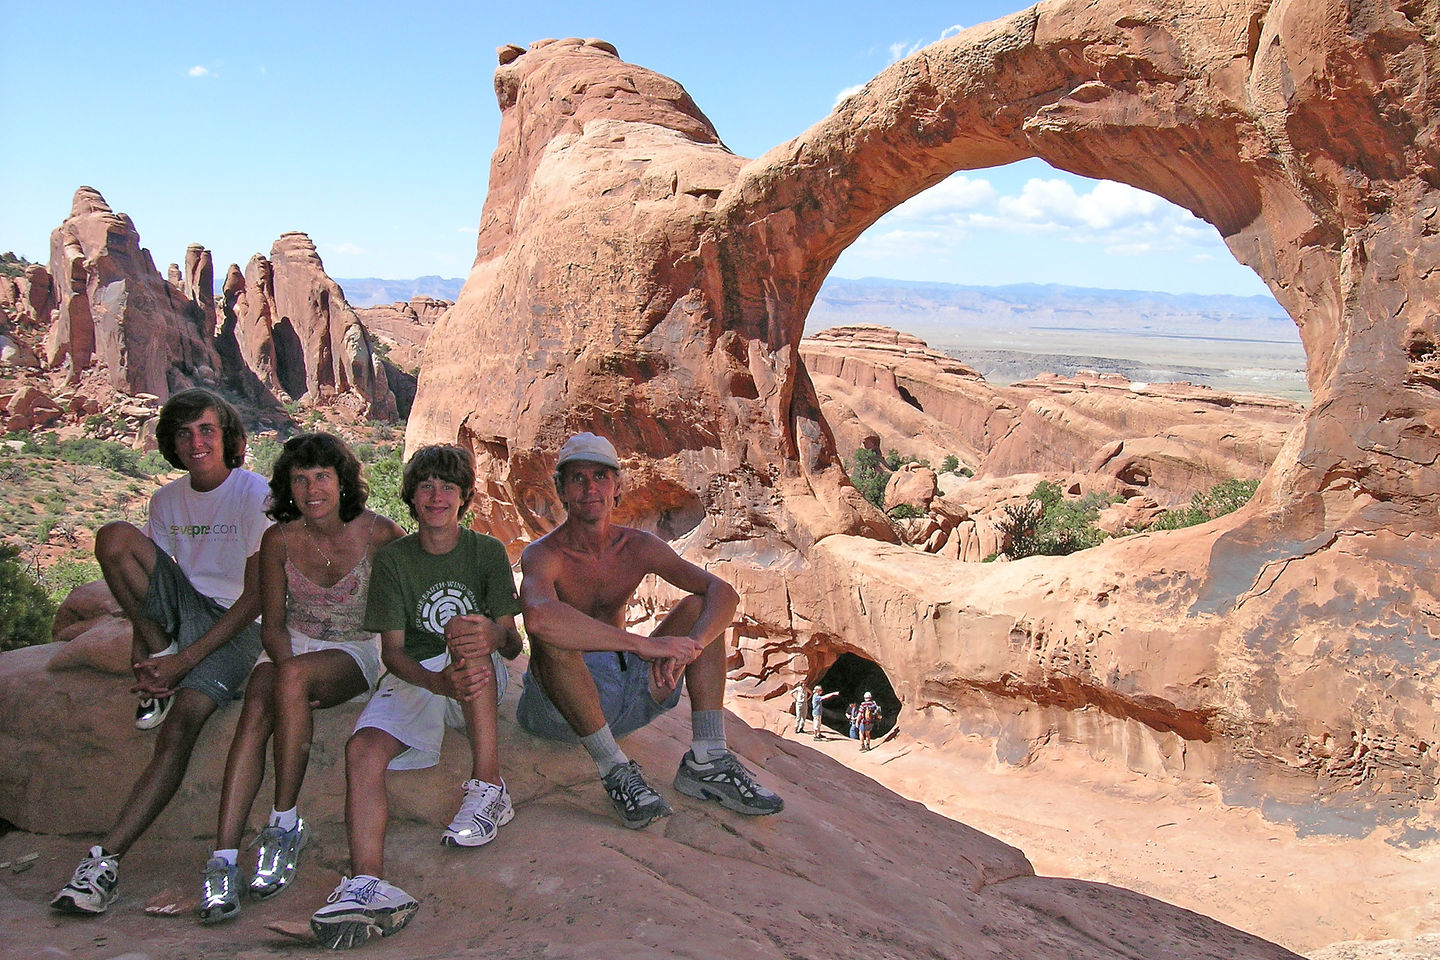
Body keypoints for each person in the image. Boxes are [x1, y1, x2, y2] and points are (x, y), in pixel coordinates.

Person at [51, 389, 270, 916]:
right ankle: (159, 668)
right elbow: (146, 586)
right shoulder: (166, 500)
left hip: (238, 627)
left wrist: (185, 661)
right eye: (184, 433)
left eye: (206, 430)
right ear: (171, 444)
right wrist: (147, 656)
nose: (196, 442)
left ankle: (104, 862)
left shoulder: (252, 492)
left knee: (179, 730)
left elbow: (257, 596)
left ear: (228, 438)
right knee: (114, 538)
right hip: (184, 614)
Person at [307, 444, 522, 950]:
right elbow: (395, 653)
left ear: (465, 496)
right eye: (426, 485)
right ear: (411, 495)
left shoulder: (485, 552)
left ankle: (489, 787)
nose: (437, 496)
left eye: (448, 486)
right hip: (419, 676)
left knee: (468, 635)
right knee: (361, 749)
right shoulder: (396, 560)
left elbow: (510, 641)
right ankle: (366, 883)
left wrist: (489, 636)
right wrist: (434, 683)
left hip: (477, 670)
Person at [516, 432, 783, 829]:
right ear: (561, 490)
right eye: (577, 479)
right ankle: (615, 770)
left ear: (617, 487)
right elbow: (538, 618)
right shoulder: (543, 555)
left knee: (699, 607)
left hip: (629, 695)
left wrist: (691, 646)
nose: (590, 488)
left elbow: (721, 592)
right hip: (562, 710)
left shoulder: (638, 546)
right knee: (551, 634)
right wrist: (644, 646)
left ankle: (707, 759)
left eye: (600, 477)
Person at [198, 433, 404, 923]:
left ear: (342, 481)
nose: (312, 489)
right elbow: (271, 623)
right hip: (293, 642)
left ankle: (284, 823)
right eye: (299, 479)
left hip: (353, 650)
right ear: (288, 487)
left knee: (286, 684)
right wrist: (289, 667)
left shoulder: (379, 534)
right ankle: (223, 858)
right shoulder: (279, 539)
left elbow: (408, 600)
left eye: (322, 477)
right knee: (258, 706)